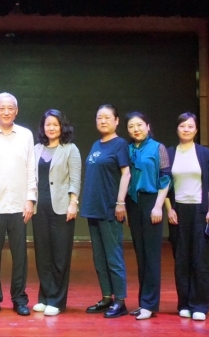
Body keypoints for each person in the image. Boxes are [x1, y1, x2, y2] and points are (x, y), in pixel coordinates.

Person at [0, 92, 36, 317]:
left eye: (10, 108)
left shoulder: (26, 135)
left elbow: (31, 168)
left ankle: (19, 298)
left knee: (20, 256)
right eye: (2, 108)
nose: (6, 112)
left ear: (16, 111)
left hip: (20, 206)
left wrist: (30, 199)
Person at [165, 112, 209, 321]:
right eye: (182, 126)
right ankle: (184, 304)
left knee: (201, 259)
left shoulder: (205, 154)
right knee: (181, 259)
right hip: (178, 211)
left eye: (190, 126)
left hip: (201, 210)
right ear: (177, 129)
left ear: (196, 130)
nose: (186, 129)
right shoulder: (169, 153)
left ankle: (200, 305)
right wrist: (169, 209)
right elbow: (164, 184)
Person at [80, 104, 131, 319]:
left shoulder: (120, 144)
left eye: (107, 117)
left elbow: (126, 173)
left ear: (116, 121)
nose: (102, 121)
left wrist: (120, 202)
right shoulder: (96, 144)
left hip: (109, 208)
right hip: (93, 208)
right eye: (99, 117)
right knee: (99, 257)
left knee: (113, 256)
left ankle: (120, 301)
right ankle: (107, 297)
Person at [31, 109, 81, 317]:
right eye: (47, 124)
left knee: (60, 256)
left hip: (61, 208)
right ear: (43, 127)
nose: (51, 128)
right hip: (39, 209)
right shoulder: (36, 149)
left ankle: (56, 300)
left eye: (55, 124)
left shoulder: (70, 149)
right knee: (43, 255)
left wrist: (73, 203)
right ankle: (44, 297)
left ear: (62, 127)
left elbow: (75, 179)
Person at [124, 111, 171, 321]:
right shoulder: (128, 149)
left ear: (148, 126)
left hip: (152, 201)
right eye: (131, 126)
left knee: (151, 255)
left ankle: (150, 304)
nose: (136, 129)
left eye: (139, 125)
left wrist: (158, 206)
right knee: (140, 255)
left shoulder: (158, 148)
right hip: (133, 203)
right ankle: (144, 302)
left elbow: (165, 178)